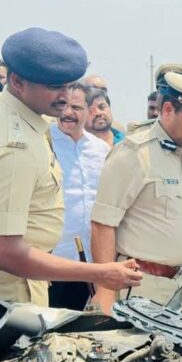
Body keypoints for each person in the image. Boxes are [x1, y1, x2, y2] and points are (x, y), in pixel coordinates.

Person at [0, 27, 141, 306]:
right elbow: (4, 253)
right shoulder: (14, 148)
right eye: (53, 87)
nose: (65, 97)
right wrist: (100, 273)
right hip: (3, 292)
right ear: (17, 81)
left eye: (69, 86)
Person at [90, 72, 182, 312]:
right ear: (168, 110)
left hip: (181, 289)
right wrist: (105, 291)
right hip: (140, 287)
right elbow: (103, 225)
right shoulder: (134, 154)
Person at [49, 82, 110, 310]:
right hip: (50, 259)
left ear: (89, 110)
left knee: (76, 323)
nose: (68, 113)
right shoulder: (44, 142)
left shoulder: (100, 150)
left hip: (87, 261)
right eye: (63, 105)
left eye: (75, 107)